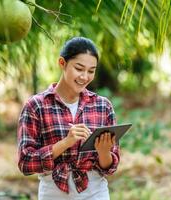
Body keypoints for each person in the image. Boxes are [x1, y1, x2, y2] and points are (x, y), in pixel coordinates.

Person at [17, 36, 120, 200]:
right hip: (53, 193)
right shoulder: (36, 106)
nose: (85, 76)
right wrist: (65, 143)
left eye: (91, 71)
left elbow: (110, 167)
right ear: (62, 63)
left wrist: (103, 152)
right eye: (79, 68)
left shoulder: (103, 106)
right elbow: (25, 162)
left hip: (95, 193)